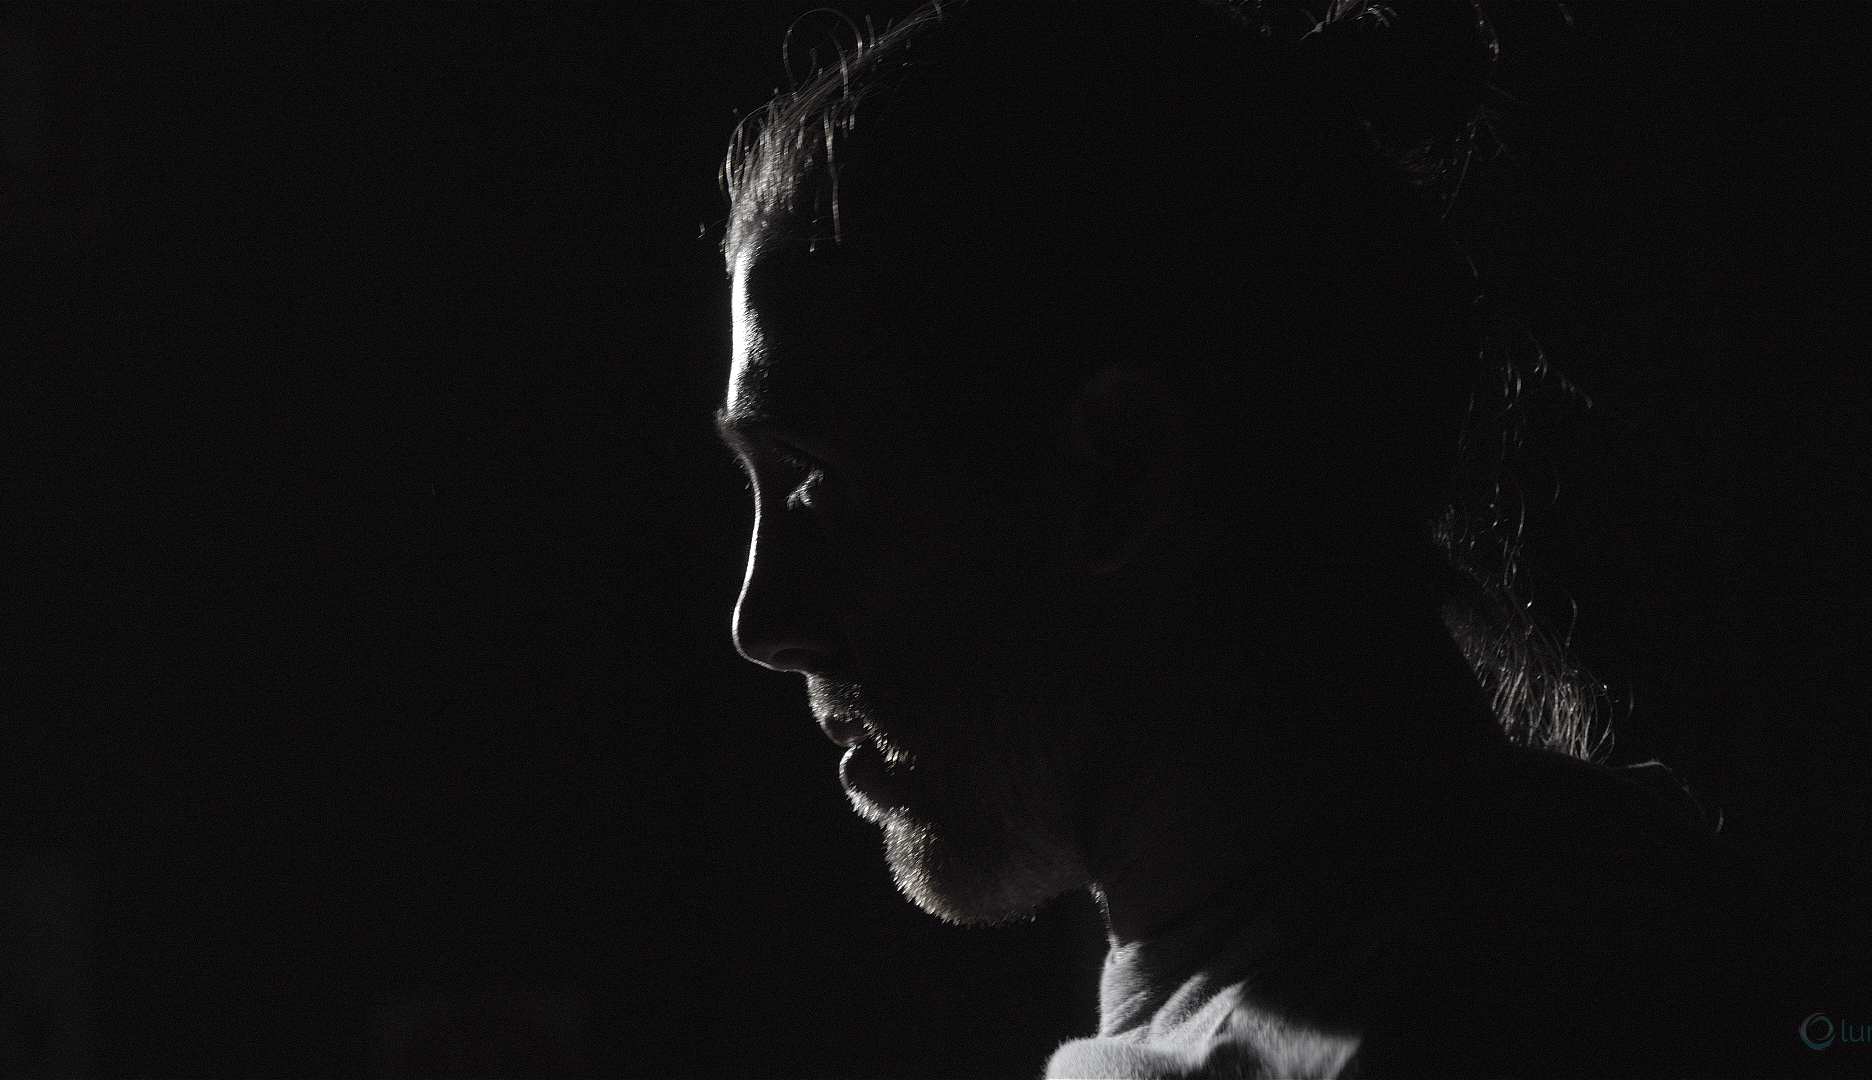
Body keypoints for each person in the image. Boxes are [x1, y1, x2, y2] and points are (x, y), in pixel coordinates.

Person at [714, 2, 1756, 1075]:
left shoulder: (1508, 1018)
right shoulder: (1567, 935)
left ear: (1113, 475)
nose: (763, 619)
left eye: (817, 481)